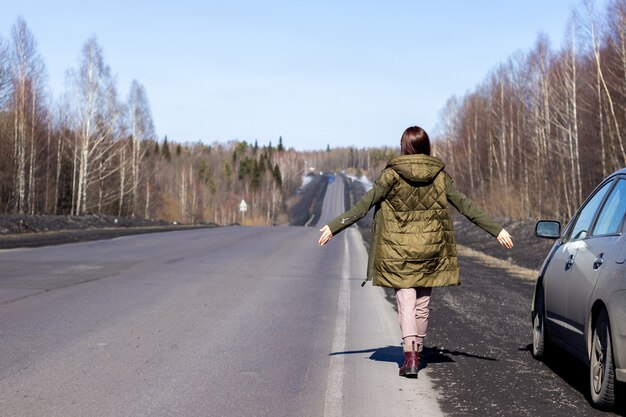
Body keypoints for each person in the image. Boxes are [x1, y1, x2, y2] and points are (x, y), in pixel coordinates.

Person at [318, 126, 513, 378]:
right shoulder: (440, 175)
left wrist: (334, 227)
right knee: (422, 305)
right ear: (425, 146)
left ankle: (409, 357)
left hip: (399, 252)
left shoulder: (391, 175)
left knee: (406, 302)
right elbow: (465, 205)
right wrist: (496, 230)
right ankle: (417, 353)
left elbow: (363, 205)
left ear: (404, 146)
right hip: (431, 250)